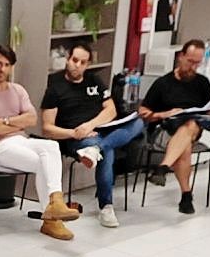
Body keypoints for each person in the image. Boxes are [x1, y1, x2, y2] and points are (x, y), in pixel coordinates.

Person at [0, 44, 76, 240]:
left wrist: (4, 122)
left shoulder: (18, 90)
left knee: (52, 146)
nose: (2, 69)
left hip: (21, 140)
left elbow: (32, 118)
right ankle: (52, 220)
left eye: (6, 64)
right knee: (42, 162)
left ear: (12, 67)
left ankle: (56, 203)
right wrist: (13, 121)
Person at [41, 41, 144, 228]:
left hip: (100, 130)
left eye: (82, 62)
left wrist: (90, 125)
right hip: (75, 137)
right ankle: (106, 207)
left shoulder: (94, 81)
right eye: (74, 60)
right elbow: (47, 128)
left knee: (138, 122)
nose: (77, 65)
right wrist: (75, 132)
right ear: (67, 59)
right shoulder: (55, 87)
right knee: (108, 152)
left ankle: (97, 148)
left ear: (88, 64)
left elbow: (111, 110)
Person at [137, 39, 210, 215]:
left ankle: (164, 166)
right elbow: (143, 111)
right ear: (180, 57)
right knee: (185, 146)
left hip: (194, 127)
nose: (193, 67)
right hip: (166, 129)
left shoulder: (202, 83)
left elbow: (208, 114)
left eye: (197, 63)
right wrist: (163, 114)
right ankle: (186, 196)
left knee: (190, 124)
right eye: (190, 61)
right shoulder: (163, 83)